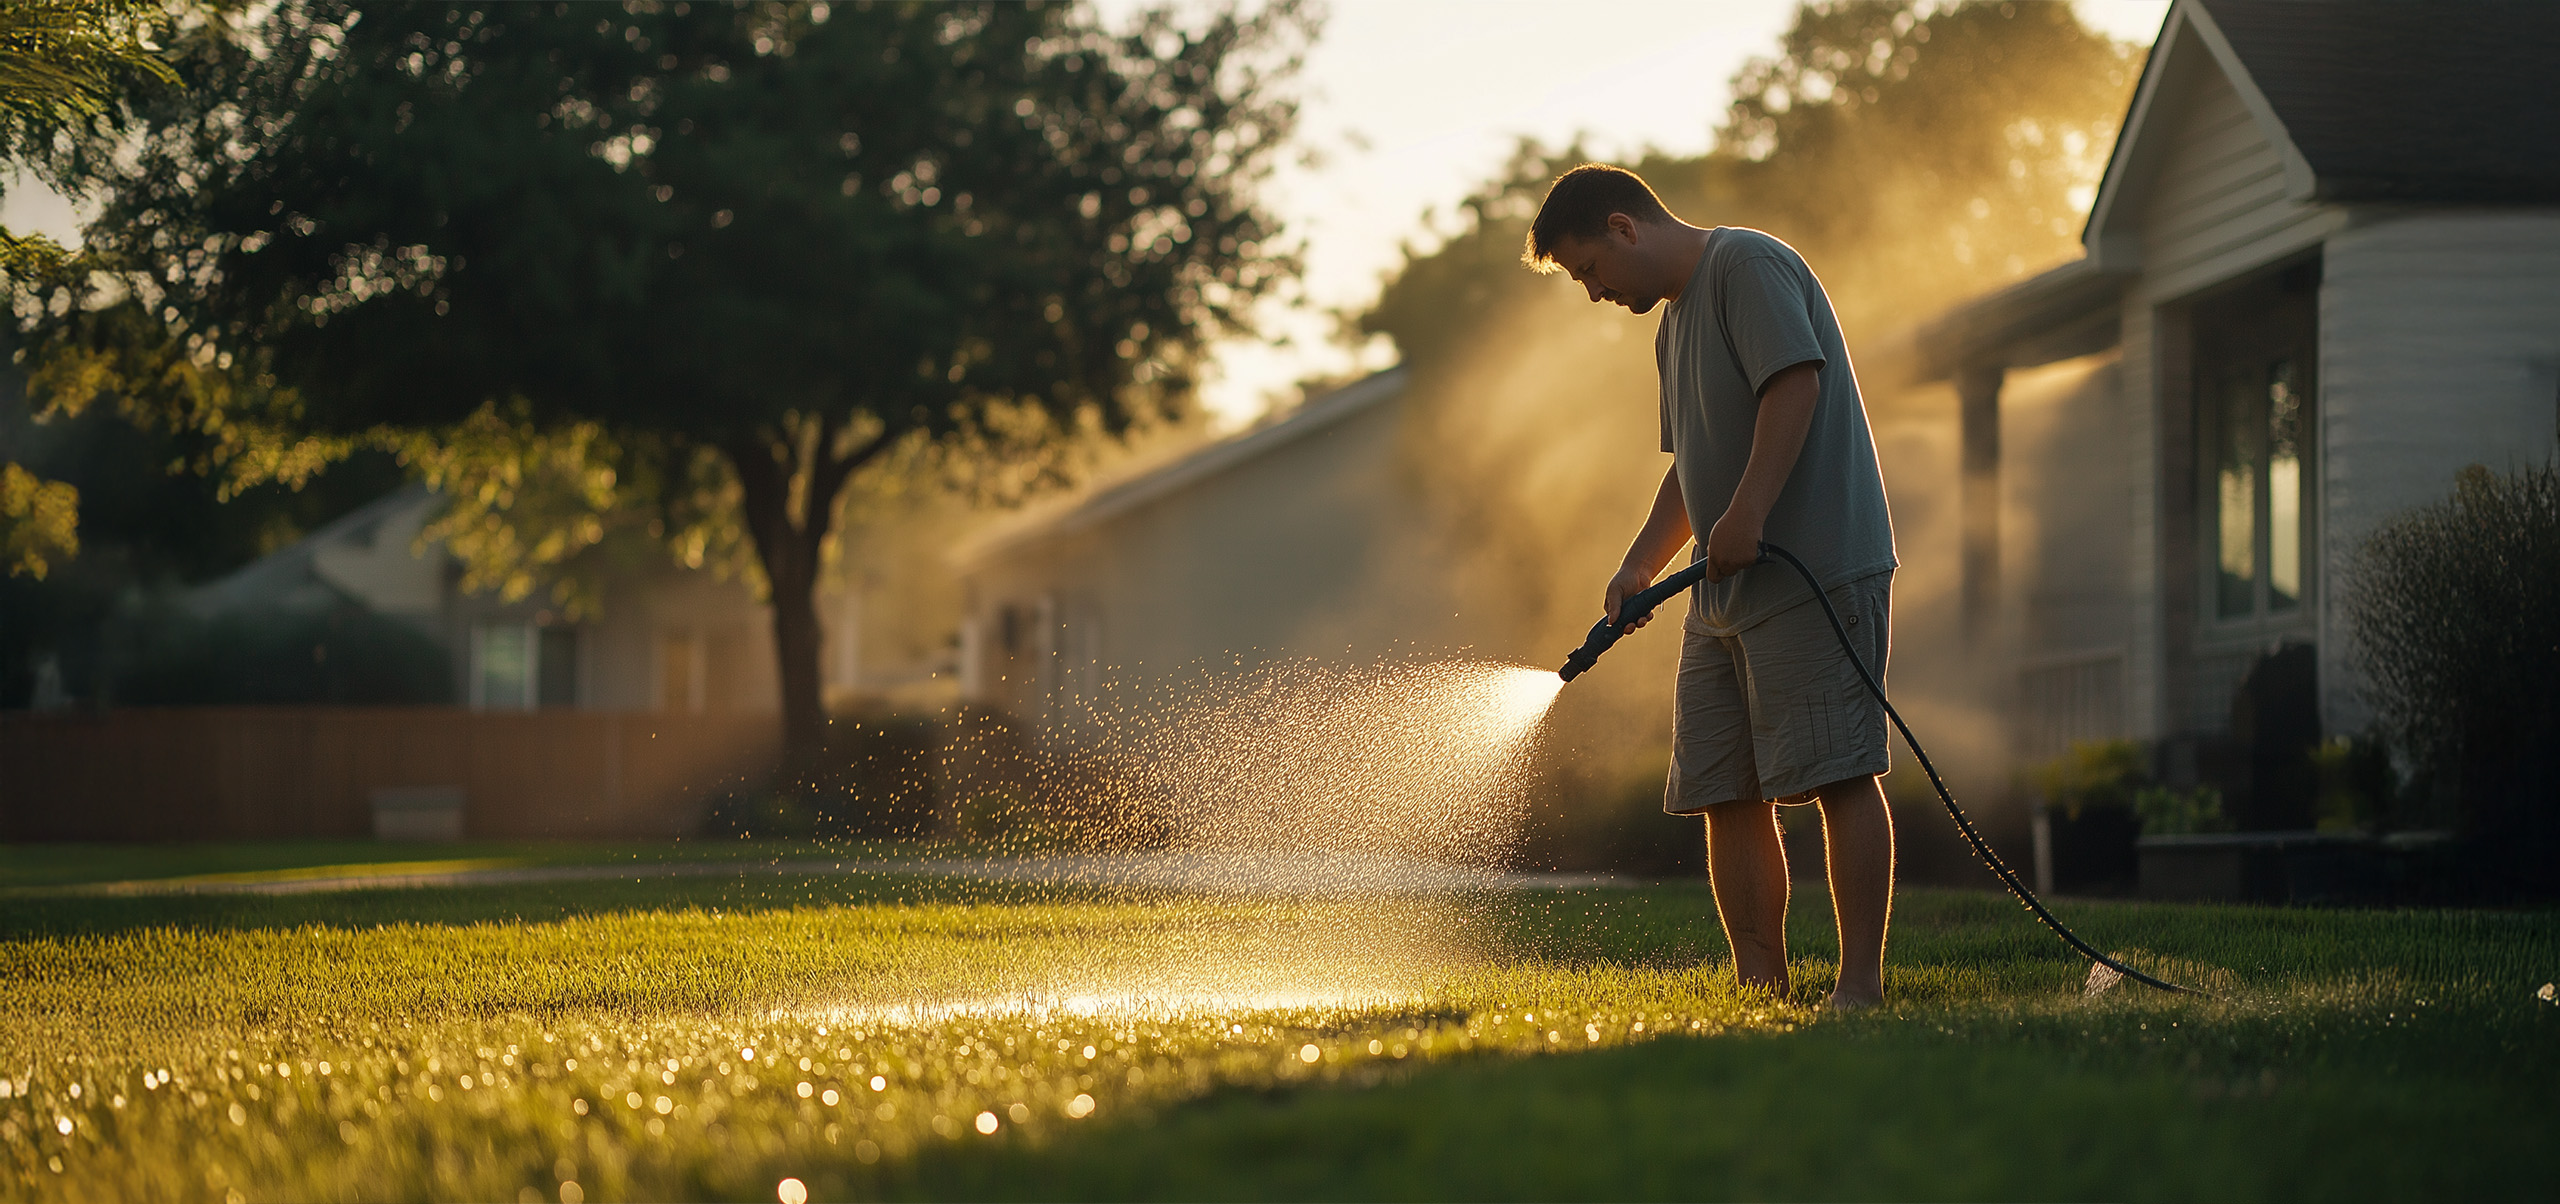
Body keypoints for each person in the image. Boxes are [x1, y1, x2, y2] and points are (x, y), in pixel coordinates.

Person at [1523, 163, 1898, 1009]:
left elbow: (1793, 385)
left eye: (1588, 270)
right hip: (1723, 597)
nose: (1593, 292)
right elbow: (1690, 472)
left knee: (1839, 775)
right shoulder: (1673, 329)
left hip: (1815, 571)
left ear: (1624, 228)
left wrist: (1752, 510)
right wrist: (1639, 565)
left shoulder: (1747, 266)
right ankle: (1760, 989)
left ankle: (1860, 989)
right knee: (1723, 790)